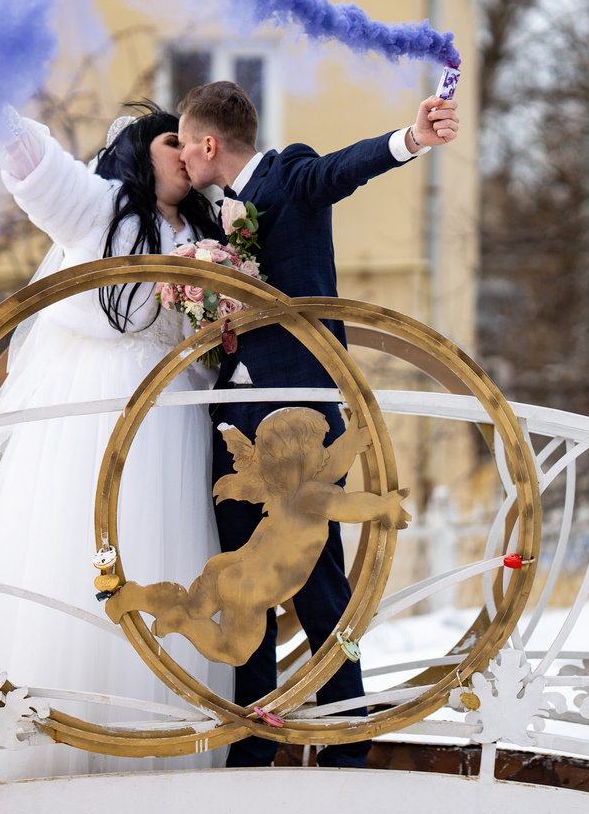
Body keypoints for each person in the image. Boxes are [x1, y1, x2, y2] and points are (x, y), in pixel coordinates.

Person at [0, 104, 232, 786]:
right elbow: (40, 172)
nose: (186, 152)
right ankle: (52, 754)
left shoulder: (207, 230)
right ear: (137, 152)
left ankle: (158, 751)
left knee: (169, 557)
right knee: (78, 559)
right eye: (171, 140)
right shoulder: (100, 210)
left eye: (193, 141)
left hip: (176, 423)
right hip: (96, 416)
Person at [175, 79, 460, 768]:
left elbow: (342, 169)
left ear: (209, 144)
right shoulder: (212, 216)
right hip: (233, 414)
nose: (181, 157)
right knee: (242, 578)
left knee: (320, 580)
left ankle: (346, 737)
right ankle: (252, 740)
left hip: (298, 413)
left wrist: (411, 139)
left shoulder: (289, 176)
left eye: (183, 144)